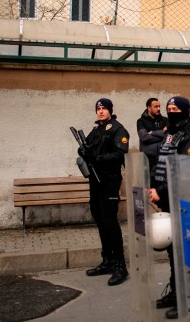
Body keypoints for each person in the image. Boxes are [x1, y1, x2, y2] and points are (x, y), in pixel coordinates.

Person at [148, 96, 190, 320]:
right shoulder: (170, 131)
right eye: (169, 109)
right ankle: (176, 292)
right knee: (174, 252)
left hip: (184, 200)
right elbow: (161, 161)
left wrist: (160, 191)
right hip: (167, 198)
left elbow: (183, 171)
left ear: (185, 111)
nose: (171, 112)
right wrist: (154, 187)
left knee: (184, 252)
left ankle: (189, 298)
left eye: (176, 109)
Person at [77, 98, 130, 286]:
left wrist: (97, 158)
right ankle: (107, 261)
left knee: (109, 220)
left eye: (104, 108)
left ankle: (120, 267)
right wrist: (83, 151)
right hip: (95, 180)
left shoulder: (118, 129)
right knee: (99, 218)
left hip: (109, 180)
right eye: (98, 109)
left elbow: (119, 154)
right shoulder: (96, 130)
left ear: (110, 110)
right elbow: (88, 149)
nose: (100, 111)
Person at [136, 98, 168, 170]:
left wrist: (153, 133)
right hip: (147, 160)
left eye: (159, 106)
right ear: (149, 108)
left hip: (163, 158)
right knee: (148, 180)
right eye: (156, 106)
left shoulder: (165, 120)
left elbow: (169, 135)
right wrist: (162, 134)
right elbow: (144, 138)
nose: (159, 108)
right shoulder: (141, 121)